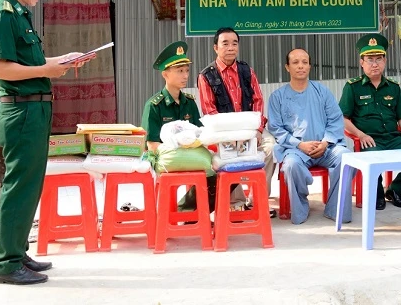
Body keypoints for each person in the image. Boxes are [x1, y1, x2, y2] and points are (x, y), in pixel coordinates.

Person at [0, 0, 92, 285]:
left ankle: (17, 252)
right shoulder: (2, 15)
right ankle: (4, 264)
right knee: (19, 186)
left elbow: (28, 65)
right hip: (20, 111)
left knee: (30, 186)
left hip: (34, 109)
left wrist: (61, 61)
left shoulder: (19, 14)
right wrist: (49, 67)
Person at [197, 27, 277, 217]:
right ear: (216, 47)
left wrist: (258, 130)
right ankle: (236, 201)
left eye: (234, 43)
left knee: (270, 147)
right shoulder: (206, 76)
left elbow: (258, 100)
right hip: (222, 134)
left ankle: (258, 201)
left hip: (251, 130)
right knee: (226, 154)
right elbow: (210, 111)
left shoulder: (246, 71)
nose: (231, 47)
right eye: (225, 43)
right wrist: (230, 137)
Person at [268, 48, 352, 224]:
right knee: (290, 166)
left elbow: (335, 119)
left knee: (346, 158)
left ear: (310, 66)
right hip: (296, 150)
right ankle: (301, 207)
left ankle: (334, 208)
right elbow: (276, 128)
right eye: (295, 62)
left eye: (304, 62)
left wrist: (326, 142)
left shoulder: (322, 91)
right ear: (287, 67)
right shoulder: (278, 97)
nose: (300, 66)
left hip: (326, 148)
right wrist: (299, 145)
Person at [339, 33, 401, 210]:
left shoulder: (394, 87)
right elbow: (343, 118)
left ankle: (396, 190)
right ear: (361, 62)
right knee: (372, 158)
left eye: (378, 59)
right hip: (370, 139)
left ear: (384, 61)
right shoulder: (353, 87)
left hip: (393, 138)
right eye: (369, 59)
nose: (374, 64)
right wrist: (360, 135)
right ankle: (376, 195)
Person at [142, 41, 213, 211]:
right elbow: (151, 145)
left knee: (220, 175)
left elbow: (200, 134)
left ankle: (186, 211)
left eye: (187, 70)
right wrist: (179, 151)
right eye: (180, 71)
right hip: (167, 159)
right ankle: (178, 213)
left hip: (191, 155)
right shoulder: (154, 105)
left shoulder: (190, 102)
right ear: (165, 74)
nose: (185, 75)